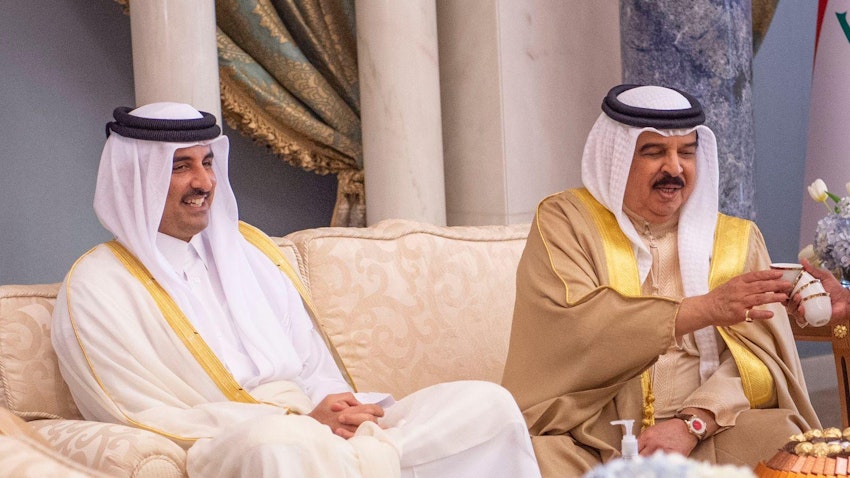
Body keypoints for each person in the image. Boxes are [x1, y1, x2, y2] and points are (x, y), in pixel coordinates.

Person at [51, 102, 542, 477]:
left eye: (207, 162)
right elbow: (130, 410)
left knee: (485, 405)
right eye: (181, 167)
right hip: (236, 440)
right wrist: (301, 418)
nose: (203, 181)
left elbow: (312, 364)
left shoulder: (252, 252)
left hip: (313, 427)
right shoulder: (97, 286)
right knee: (281, 441)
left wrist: (339, 407)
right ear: (136, 178)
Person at [500, 84, 820, 477]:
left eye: (686, 152)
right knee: (532, 455)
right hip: (590, 434)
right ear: (615, 158)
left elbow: (760, 363)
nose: (674, 168)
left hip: (702, 433)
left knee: (783, 444)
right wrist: (702, 309)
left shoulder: (735, 240)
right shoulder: (566, 223)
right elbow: (577, 330)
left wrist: (693, 422)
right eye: (653, 152)